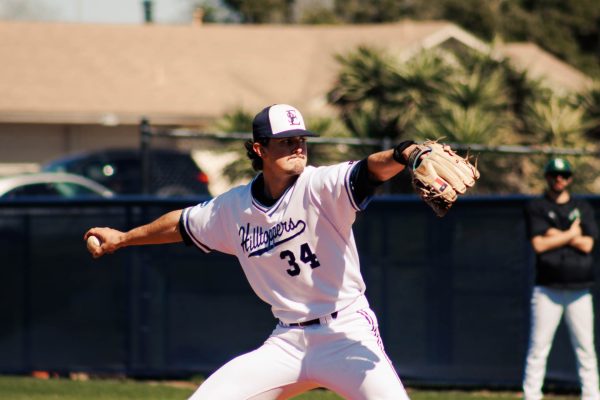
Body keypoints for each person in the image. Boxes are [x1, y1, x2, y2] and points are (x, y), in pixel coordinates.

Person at [85, 104, 419, 400]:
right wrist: (124, 238)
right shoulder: (234, 207)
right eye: (286, 141)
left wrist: (405, 153)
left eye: (301, 140)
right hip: (288, 339)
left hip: (345, 329)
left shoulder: (319, 185)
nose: (298, 148)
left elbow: (369, 170)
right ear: (260, 149)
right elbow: (181, 224)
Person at [522, 158, 600, 400]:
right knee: (538, 349)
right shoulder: (537, 206)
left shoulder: (583, 207)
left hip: (579, 290)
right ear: (547, 177)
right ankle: (531, 396)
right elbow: (539, 244)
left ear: (570, 178)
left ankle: (592, 396)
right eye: (554, 175)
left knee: (586, 349)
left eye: (564, 175)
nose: (559, 179)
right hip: (547, 290)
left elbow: (587, 244)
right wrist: (572, 233)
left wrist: (556, 234)